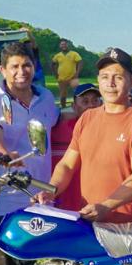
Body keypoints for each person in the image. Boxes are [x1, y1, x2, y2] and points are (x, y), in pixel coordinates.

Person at [38, 48, 132, 223]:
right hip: (87, 217)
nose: (110, 83)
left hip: (124, 224)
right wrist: (51, 189)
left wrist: (106, 206)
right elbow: (67, 165)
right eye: (104, 76)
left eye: (118, 77)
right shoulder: (87, 117)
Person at [0, 43, 60, 216]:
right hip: (5, 199)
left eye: (26, 65)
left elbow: (56, 120)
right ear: (2, 70)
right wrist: (4, 154)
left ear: (34, 67)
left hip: (41, 196)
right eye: (14, 66)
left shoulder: (46, 96)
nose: (21, 72)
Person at [51, 82, 101, 211]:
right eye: (85, 101)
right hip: (64, 202)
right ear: (74, 106)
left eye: (95, 101)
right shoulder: (59, 128)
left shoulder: (109, 129)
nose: (91, 105)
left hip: (96, 204)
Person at [51, 39, 82, 109]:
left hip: (73, 77)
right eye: (62, 44)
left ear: (68, 45)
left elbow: (80, 62)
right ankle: (63, 108)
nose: (63, 46)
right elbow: (52, 64)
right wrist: (55, 73)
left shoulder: (74, 54)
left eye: (65, 44)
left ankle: (78, 106)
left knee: (77, 93)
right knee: (62, 95)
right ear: (60, 46)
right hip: (62, 78)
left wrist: (77, 73)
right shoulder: (58, 55)